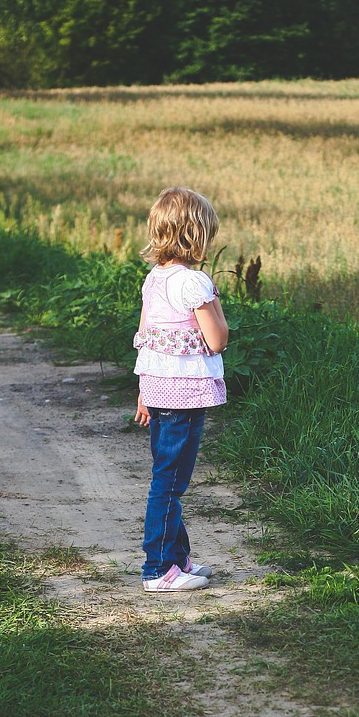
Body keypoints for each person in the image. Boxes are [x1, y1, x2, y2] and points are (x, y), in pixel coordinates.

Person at [133, 187, 228, 592]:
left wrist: (142, 392)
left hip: (157, 390)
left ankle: (178, 557)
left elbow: (145, 337)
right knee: (170, 482)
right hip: (185, 395)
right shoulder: (193, 283)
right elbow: (218, 338)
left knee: (167, 478)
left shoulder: (153, 280)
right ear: (196, 236)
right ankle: (157, 570)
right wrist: (213, 297)